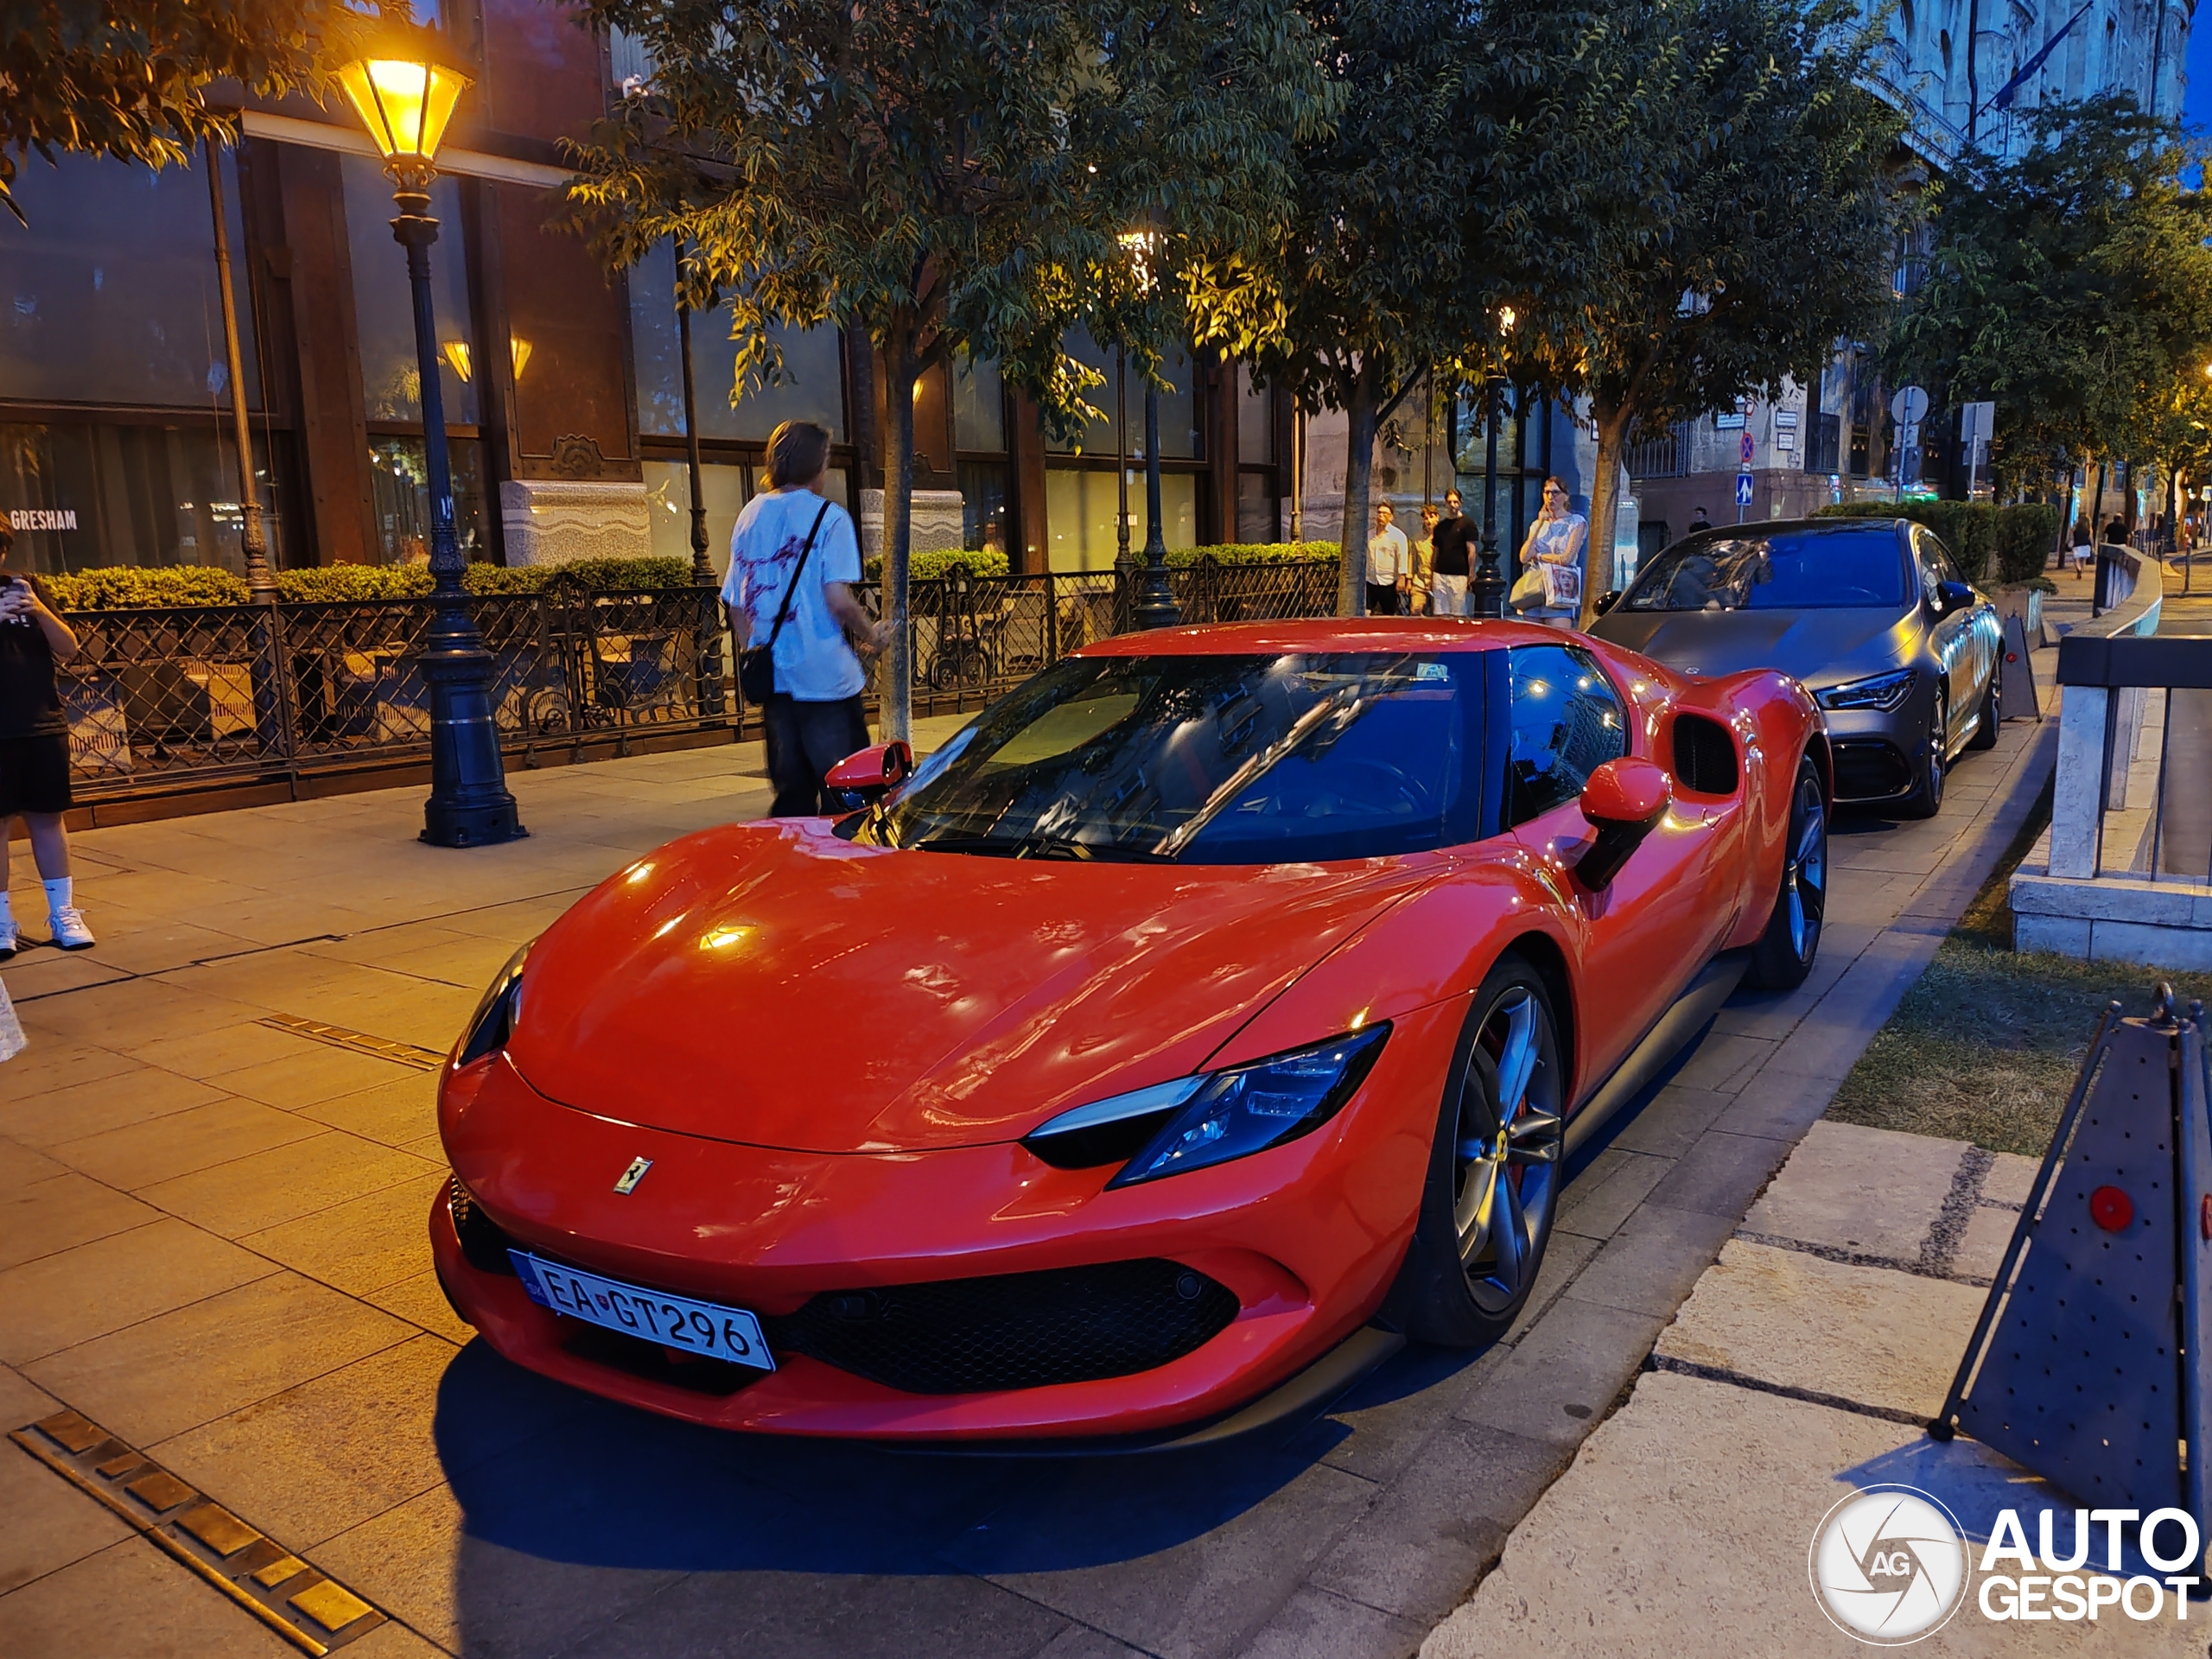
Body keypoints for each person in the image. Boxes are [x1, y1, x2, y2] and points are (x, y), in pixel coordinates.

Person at [721, 421, 892, 816]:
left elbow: (734, 602)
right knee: (848, 800)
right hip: (825, 682)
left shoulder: (750, 515)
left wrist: (755, 650)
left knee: (791, 799)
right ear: (818, 464)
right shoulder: (830, 519)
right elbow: (838, 598)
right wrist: (872, 635)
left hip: (776, 683)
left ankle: (793, 871)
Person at [0, 525, 93, 957]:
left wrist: (38, 609)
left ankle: (64, 913)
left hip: (41, 721)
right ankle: (2, 921)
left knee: (48, 819)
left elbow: (68, 647)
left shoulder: (28, 586)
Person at [1518, 476, 1588, 630]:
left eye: (1555, 493)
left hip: (1560, 586)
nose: (1550, 497)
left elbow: (1566, 558)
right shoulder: (1537, 524)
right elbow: (1524, 557)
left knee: (1558, 638)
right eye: (1547, 492)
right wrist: (1539, 525)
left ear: (1565, 496)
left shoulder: (1576, 522)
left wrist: (1539, 556)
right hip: (1536, 589)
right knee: (1532, 639)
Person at [1429, 488, 1475, 615]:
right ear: (1445, 503)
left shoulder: (1467, 524)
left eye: (1455, 502)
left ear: (1460, 503)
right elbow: (1436, 551)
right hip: (1440, 574)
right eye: (1450, 502)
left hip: (1459, 575)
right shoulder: (1440, 527)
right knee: (1439, 611)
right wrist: (1432, 572)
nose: (1453, 505)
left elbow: (1471, 549)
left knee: (1458, 611)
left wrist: (1471, 573)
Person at [1366, 502, 1408, 615]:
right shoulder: (1369, 534)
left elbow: (1402, 556)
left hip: (1389, 581)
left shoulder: (1398, 535)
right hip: (1371, 580)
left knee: (1389, 613)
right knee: (1366, 611)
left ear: (1391, 517)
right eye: (1379, 513)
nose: (1381, 515)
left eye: (1385, 513)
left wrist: (1402, 577)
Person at [1408, 504, 1438, 614]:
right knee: (1415, 610)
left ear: (1437, 517)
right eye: (1426, 518)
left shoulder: (1442, 537)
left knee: (1438, 613)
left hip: (1437, 581)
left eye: (1431, 517)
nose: (1429, 521)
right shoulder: (1417, 538)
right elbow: (1412, 559)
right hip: (1420, 580)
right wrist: (1409, 579)